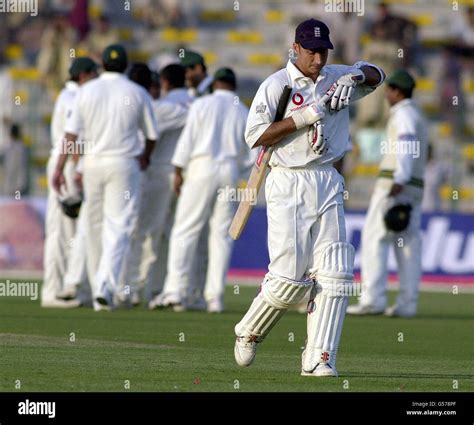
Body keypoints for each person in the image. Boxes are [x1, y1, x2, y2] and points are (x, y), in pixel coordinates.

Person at [233, 19, 385, 377]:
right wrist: (305, 116)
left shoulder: (336, 76)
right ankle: (249, 330)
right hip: (288, 180)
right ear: (296, 49)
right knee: (288, 279)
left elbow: (378, 73)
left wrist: (357, 77)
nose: (318, 59)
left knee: (336, 273)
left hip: (328, 178)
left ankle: (319, 357)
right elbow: (255, 136)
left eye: (323, 51)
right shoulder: (277, 85)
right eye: (312, 51)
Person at [52, 44, 159, 311]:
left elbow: (71, 136)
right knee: (119, 227)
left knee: (94, 227)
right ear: (125, 66)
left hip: (92, 164)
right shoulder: (137, 92)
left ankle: (100, 290)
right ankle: (104, 287)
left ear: (103, 67)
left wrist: (58, 168)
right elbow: (151, 135)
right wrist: (145, 156)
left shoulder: (87, 91)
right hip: (124, 164)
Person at [152, 67, 252, 313]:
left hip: (201, 167)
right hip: (228, 170)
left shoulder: (203, 103)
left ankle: (175, 290)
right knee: (221, 236)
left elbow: (188, 140)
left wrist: (178, 171)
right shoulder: (243, 110)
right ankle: (214, 297)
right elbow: (253, 154)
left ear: (216, 83)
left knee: (185, 229)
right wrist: (237, 171)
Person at [347, 69, 428, 318]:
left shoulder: (403, 115)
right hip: (414, 186)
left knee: (375, 239)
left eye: (389, 90)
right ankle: (407, 303)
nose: (386, 95)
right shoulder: (417, 115)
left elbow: (405, 145)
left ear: (397, 92)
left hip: (395, 184)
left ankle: (373, 299)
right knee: (408, 245)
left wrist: (399, 179)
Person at [42, 57, 98, 308]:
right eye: (93, 73)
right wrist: (74, 166)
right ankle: (52, 292)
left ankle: (67, 288)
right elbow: (72, 136)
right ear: (84, 75)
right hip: (66, 164)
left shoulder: (70, 94)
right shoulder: (74, 97)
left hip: (64, 163)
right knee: (62, 232)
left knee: (67, 231)